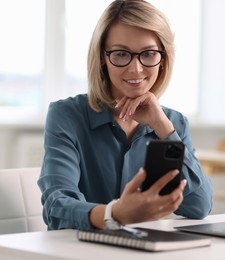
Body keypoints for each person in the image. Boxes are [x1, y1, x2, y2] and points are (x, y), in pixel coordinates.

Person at [38, 0, 213, 230]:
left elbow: (198, 206)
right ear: (102, 57)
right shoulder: (67, 115)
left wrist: (163, 127)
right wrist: (115, 214)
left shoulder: (173, 122)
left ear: (163, 59)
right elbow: (56, 208)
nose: (136, 69)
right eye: (121, 54)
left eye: (148, 54)